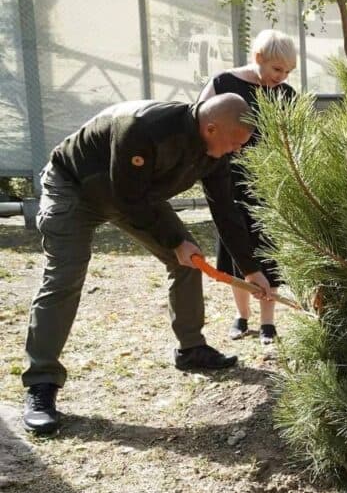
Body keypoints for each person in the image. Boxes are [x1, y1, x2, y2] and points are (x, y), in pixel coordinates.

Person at [20, 93, 273, 435]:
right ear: (211, 128)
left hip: (136, 195)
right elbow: (126, 198)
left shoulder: (215, 151)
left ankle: (191, 348)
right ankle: (41, 383)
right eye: (234, 143)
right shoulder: (142, 128)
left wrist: (251, 269)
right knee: (65, 276)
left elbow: (225, 211)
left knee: (190, 259)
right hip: (75, 187)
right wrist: (173, 241)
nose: (237, 150)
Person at [199, 29, 297, 345]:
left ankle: (268, 323)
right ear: (258, 59)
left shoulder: (286, 95)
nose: (281, 78)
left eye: (287, 72)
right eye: (276, 69)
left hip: (269, 187)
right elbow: (200, 124)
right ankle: (242, 317)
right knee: (234, 253)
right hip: (228, 182)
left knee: (268, 254)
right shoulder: (223, 84)